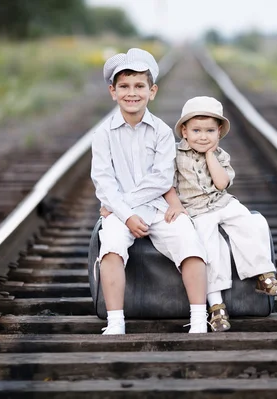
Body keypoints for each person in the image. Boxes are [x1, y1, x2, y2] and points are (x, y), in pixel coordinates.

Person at [91, 49, 209, 335]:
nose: (132, 93)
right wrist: (125, 214)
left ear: (152, 91)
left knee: (189, 241)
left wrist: (121, 205)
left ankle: (198, 318)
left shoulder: (161, 131)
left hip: (157, 208)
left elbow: (162, 178)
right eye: (125, 87)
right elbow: (103, 180)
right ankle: (116, 321)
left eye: (139, 86)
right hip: (120, 212)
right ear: (113, 91)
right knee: (111, 249)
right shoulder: (103, 133)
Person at [163, 96, 277, 332]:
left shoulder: (220, 155)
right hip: (196, 210)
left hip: (221, 202)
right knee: (210, 249)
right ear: (184, 131)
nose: (203, 136)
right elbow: (167, 185)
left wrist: (210, 156)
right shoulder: (174, 155)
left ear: (219, 132)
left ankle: (264, 274)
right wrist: (174, 206)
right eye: (196, 130)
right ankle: (216, 306)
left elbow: (222, 184)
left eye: (209, 130)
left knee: (249, 223)